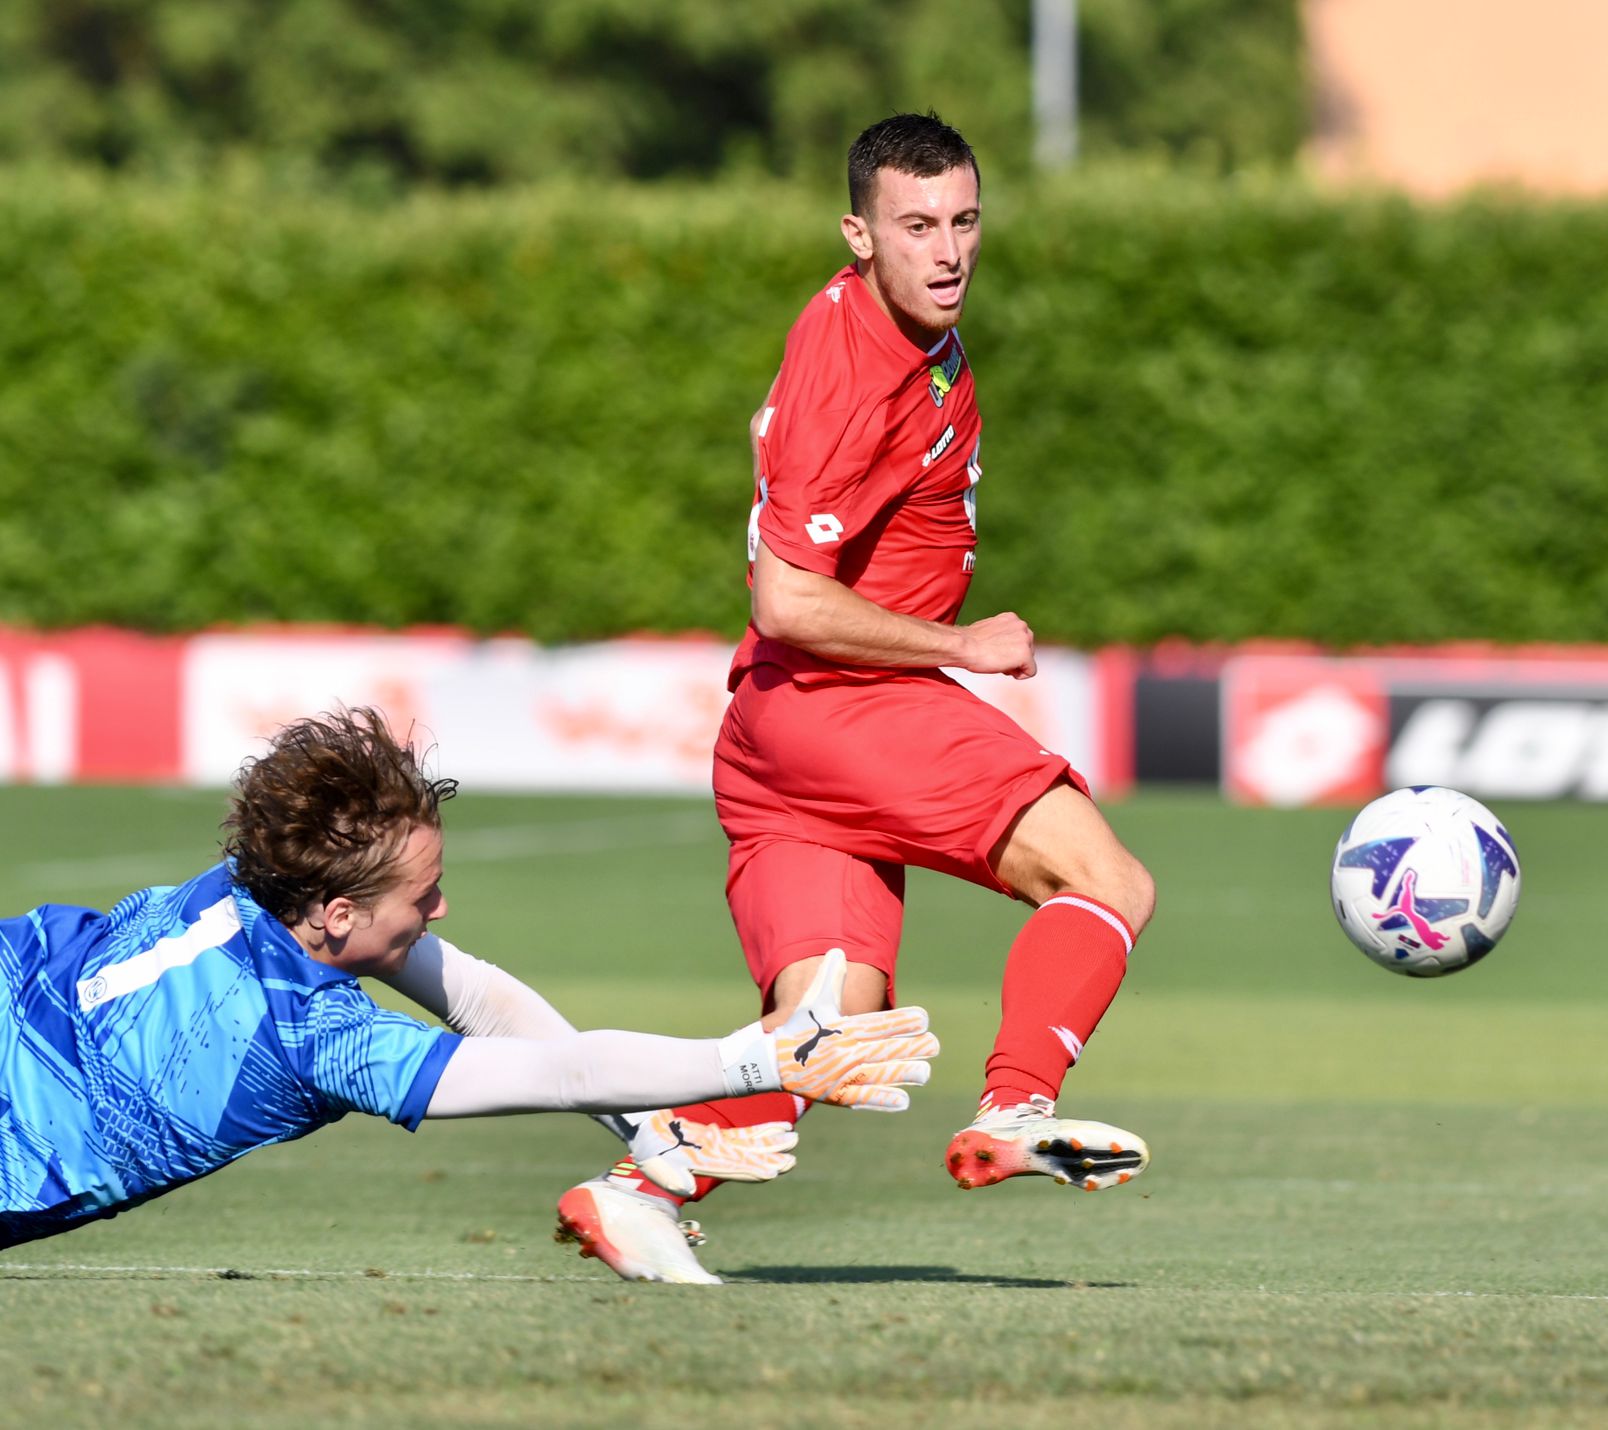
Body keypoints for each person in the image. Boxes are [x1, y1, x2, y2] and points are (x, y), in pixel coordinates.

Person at [554, 111, 1158, 1285]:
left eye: (963, 221)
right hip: (844, 704)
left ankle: (635, 1192)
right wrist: (963, 642)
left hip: (776, 735)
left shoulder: (878, 326)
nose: (947, 250)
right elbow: (787, 599)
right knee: (1106, 878)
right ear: (858, 233)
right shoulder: (855, 368)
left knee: (834, 1044)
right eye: (915, 225)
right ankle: (1018, 1105)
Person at [0, 708, 937, 1274]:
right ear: (334, 914)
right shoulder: (320, 1040)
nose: (441, 908)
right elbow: (563, 1072)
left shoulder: (246, 886)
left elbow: (482, 1002)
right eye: (420, 895)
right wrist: (760, 1059)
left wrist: (651, 1136)